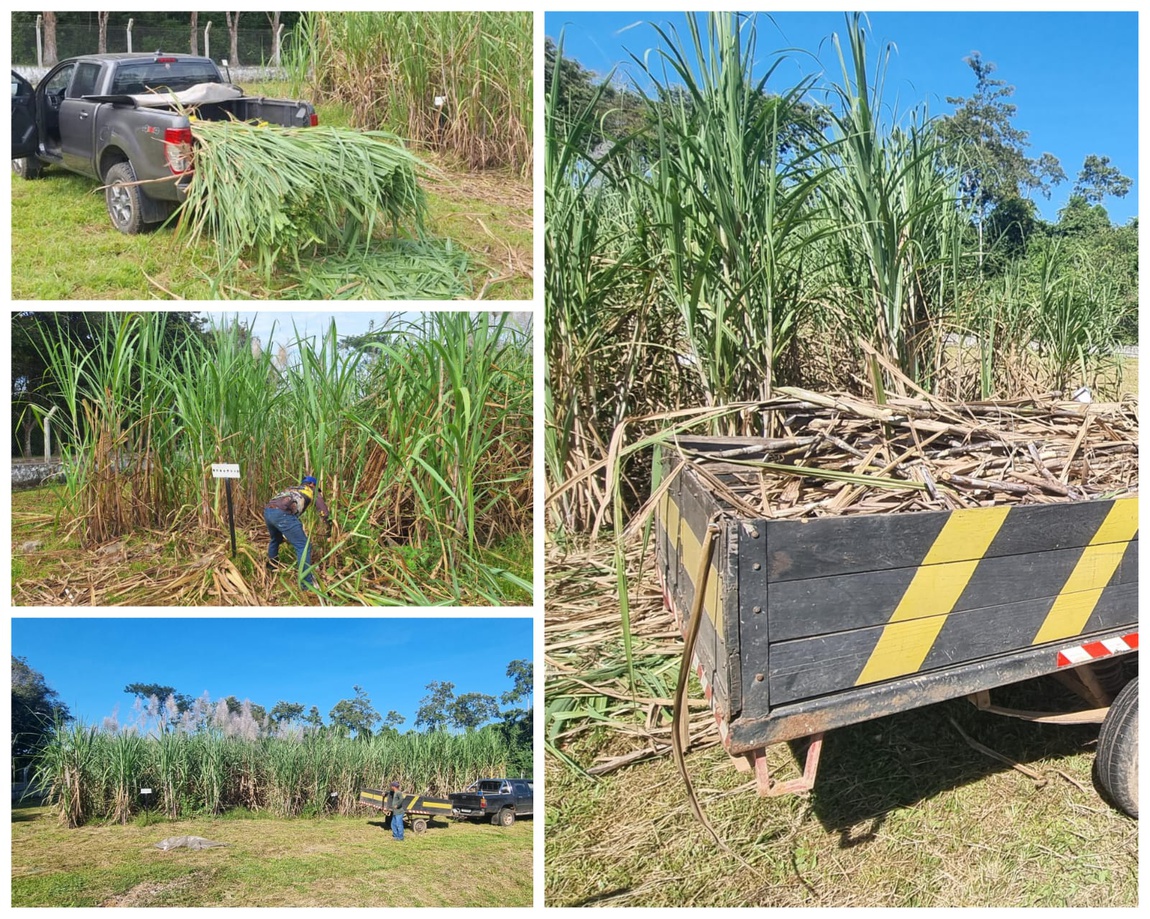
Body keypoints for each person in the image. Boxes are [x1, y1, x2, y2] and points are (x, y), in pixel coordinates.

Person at [264, 474, 330, 589]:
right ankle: (306, 583)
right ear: (312, 484)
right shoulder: (311, 490)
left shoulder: (292, 488)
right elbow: (323, 511)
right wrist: (329, 527)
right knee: (303, 546)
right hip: (282, 514)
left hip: (268, 511)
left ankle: (272, 567)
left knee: (276, 539)